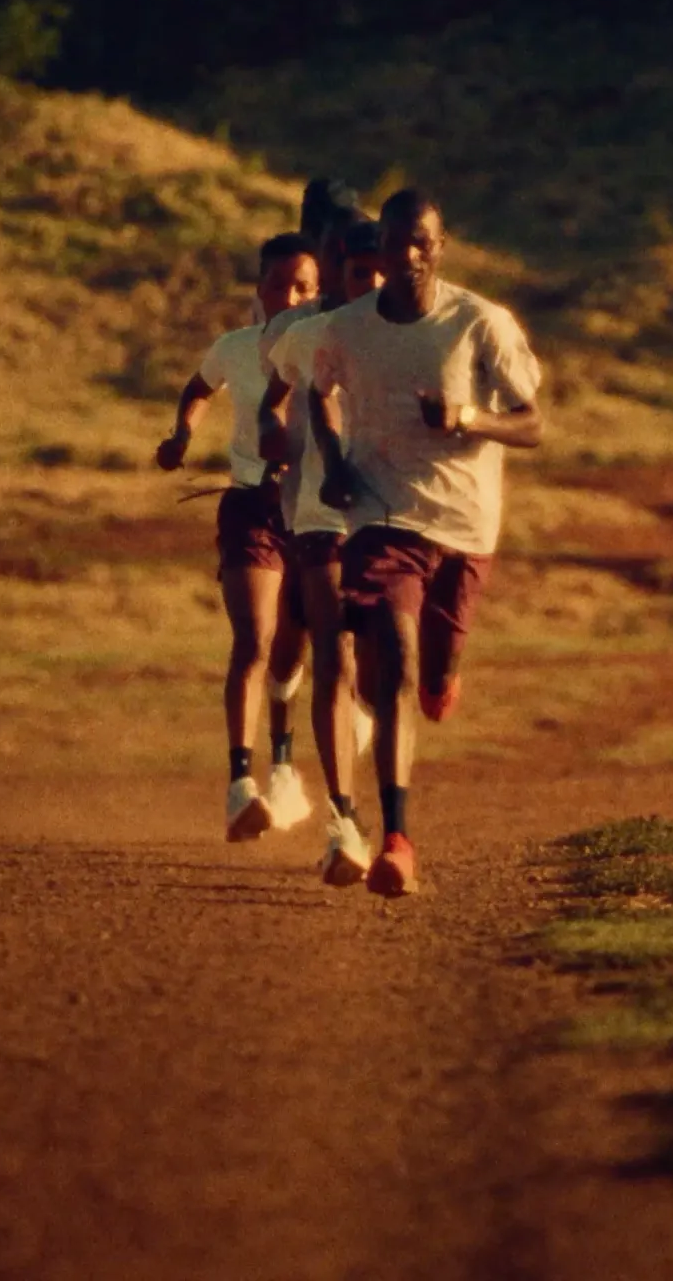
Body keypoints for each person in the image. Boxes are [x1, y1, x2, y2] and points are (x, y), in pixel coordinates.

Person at [308, 191, 544, 897]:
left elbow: (533, 424)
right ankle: (398, 840)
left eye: (422, 243)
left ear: (440, 248)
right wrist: (336, 460)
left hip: (466, 526)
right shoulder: (348, 328)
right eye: (395, 242)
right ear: (375, 248)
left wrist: (469, 416)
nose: (408, 255)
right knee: (396, 658)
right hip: (384, 517)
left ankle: (439, 682)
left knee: (430, 670)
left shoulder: (480, 322)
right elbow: (319, 390)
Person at [157, 232, 320, 843]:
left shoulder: (328, 350)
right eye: (279, 284)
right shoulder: (235, 347)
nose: (290, 295)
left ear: (319, 291)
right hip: (250, 505)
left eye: (303, 286)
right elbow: (199, 386)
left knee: (290, 655)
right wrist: (181, 435)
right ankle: (238, 786)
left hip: (309, 513)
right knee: (254, 639)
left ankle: (283, 768)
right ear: (260, 290)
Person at [258, 218, 386, 886]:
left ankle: (361, 792)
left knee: (382, 664)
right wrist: (273, 440)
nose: (371, 282)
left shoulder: (422, 332)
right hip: (321, 517)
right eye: (359, 269)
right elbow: (273, 397)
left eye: (379, 269)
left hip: (397, 520)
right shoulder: (306, 334)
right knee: (326, 653)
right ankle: (344, 819)